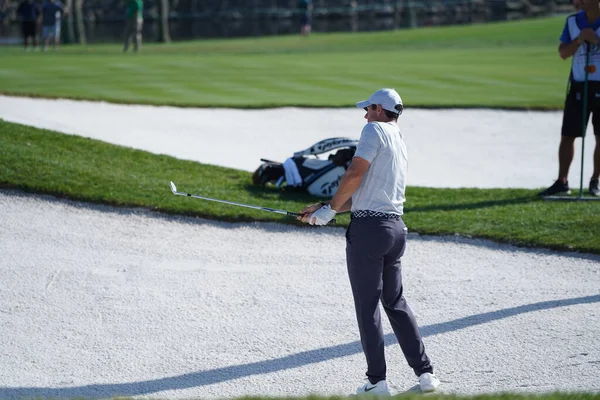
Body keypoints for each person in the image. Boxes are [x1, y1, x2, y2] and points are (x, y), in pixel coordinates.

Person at [298, 88, 440, 395]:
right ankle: (426, 373)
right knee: (395, 302)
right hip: (395, 229)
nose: (365, 115)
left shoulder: (373, 130)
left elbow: (354, 173)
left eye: (368, 109)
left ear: (378, 109)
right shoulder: (399, 140)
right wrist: (324, 208)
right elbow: (365, 195)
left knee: (368, 307)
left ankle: (377, 381)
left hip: (369, 233)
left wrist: (332, 210)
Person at [539, 0, 600, 197]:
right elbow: (563, 53)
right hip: (578, 85)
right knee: (568, 135)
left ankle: (595, 182)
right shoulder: (573, 21)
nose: (576, 2)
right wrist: (579, 40)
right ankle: (562, 182)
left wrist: (596, 40)